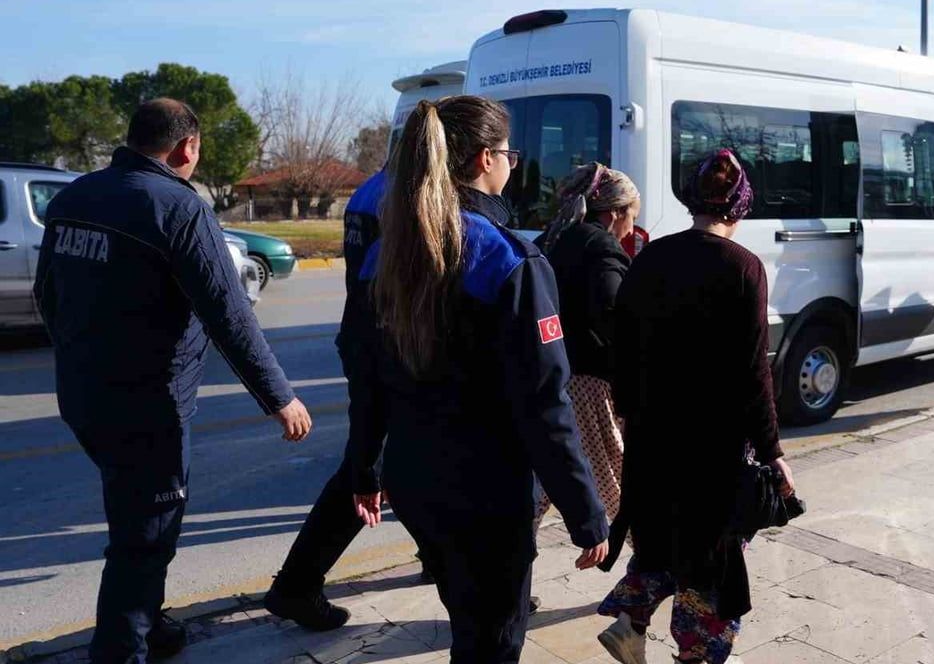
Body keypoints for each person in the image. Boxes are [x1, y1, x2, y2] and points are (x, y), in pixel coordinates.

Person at [33, 98, 312, 664]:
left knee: (136, 511)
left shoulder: (73, 197)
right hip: (148, 406)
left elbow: (47, 295)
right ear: (187, 147)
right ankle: (121, 650)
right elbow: (229, 314)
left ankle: (151, 625)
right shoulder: (179, 208)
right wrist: (279, 397)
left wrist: (80, 357)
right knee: (145, 537)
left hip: (83, 394)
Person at [369, 95, 609, 662]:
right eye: (508, 154)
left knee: (468, 622)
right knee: (494, 642)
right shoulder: (508, 259)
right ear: (484, 159)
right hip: (486, 493)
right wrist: (587, 513)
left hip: (415, 479)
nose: (512, 165)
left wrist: (364, 465)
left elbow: (366, 374)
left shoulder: (389, 250)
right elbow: (545, 404)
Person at [595, 149, 795, 664]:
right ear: (741, 203)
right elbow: (754, 374)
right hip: (714, 448)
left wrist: (629, 414)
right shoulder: (743, 268)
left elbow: (622, 346)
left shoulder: (652, 257)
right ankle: (695, 655)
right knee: (712, 558)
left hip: (653, 438)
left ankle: (630, 622)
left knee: (661, 537)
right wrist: (772, 451)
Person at [263, 165, 432, 631]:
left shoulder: (371, 188)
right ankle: (296, 584)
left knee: (398, 464)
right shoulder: (410, 191)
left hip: (366, 336)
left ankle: (447, 564)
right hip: (387, 344)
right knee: (368, 468)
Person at [533, 162, 640, 523]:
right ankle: (647, 553)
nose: (630, 229)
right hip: (590, 384)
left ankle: (515, 547)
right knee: (615, 482)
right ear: (615, 212)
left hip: (550, 375)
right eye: (631, 216)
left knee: (548, 476)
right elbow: (615, 317)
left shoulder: (553, 238)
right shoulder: (602, 248)